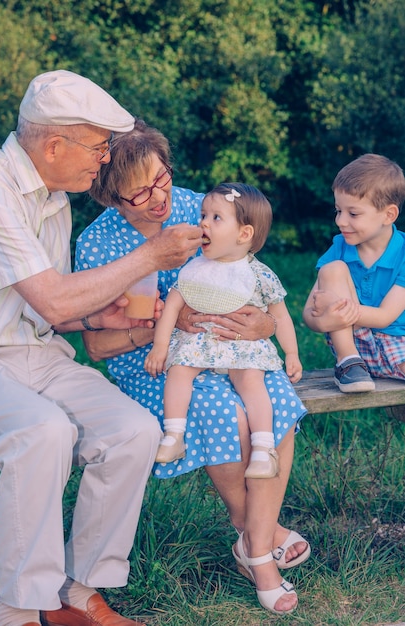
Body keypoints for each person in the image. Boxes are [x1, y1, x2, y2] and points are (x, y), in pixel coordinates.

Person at [0, 70, 203, 626]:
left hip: (40, 353)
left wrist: (96, 317)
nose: (106, 159)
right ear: (54, 145)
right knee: (44, 431)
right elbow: (54, 301)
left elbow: (51, 310)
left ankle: (78, 592)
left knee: (133, 430)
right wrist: (154, 255)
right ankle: (18, 609)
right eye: (98, 145)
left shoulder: (55, 197)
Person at [75, 122, 310, 616]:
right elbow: (96, 347)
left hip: (231, 351)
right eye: (139, 192)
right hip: (153, 362)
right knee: (226, 414)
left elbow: (249, 267)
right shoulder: (98, 244)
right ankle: (261, 550)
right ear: (108, 194)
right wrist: (160, 327)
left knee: (277, 405)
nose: (158, 198)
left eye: (161, 178)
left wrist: (264, 322)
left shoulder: (197, 206)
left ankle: (254, 541)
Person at [144, 182, 303, 480]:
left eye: (216, 218)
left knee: (251, 381)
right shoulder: (195, 269)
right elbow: (172, 308)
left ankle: (263, 449)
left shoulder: (258, 274)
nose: (203, 222)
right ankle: (174, 435)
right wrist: (160, 347)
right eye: (203, 215)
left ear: (244, 234)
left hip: (241, 346)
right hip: (199, 344)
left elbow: (281, 315)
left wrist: (291, 353)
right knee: (179, 370)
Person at [303, 153, 405, 393]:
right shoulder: (339, 248)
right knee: (333, 269)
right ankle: (348, 364)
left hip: (398, 345)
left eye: (353, 213)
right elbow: (309, 313)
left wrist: (336, 307)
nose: (340, 221)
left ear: (388, 215)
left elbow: (384, 317)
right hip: (353, 345)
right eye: (338, 211)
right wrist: (323, 319)